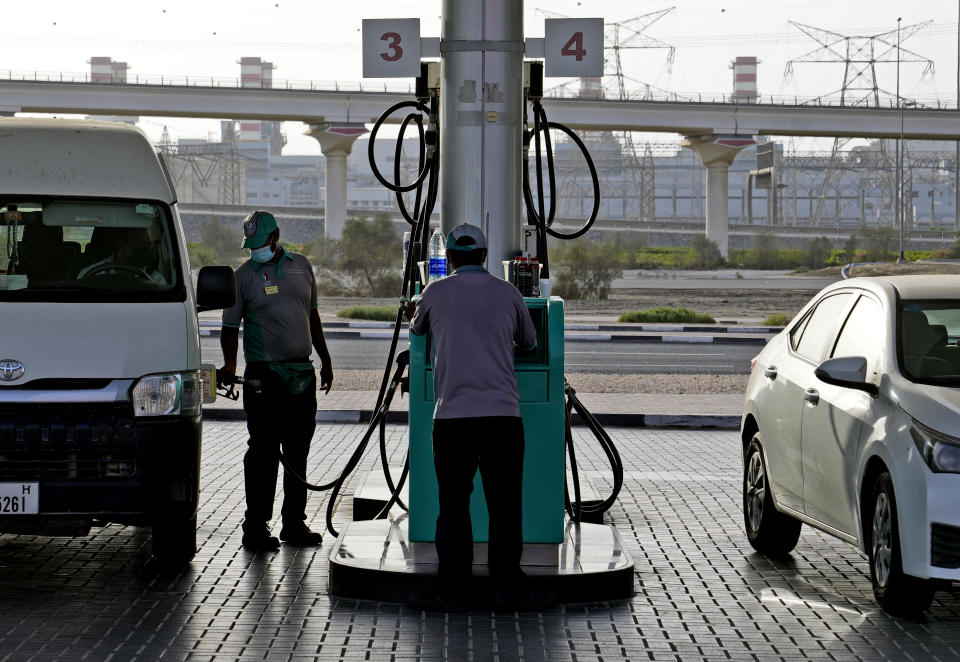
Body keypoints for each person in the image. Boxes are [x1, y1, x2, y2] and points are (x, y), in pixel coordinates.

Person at [404, 224, 537, 604]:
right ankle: (507, 583)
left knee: (453, 503)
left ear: (450, 258)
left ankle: (454, 586)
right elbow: (529, 342)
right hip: (503, 418)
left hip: (452, 419)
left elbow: (417, 329)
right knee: (505, 505)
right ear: (483, 254)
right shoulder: (509, 292)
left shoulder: (434, 291)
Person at [219, 210, 334, 552]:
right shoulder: (242, 278)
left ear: (276, 236)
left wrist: (325, 359)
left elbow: (312, 314)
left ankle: (293, 525)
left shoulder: (302, 266)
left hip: (302, 374)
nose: (256, 250)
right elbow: (229, 328)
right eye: (251, 245)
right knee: (263, 453)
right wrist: (229, 364)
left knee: (297, 451)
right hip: (263, 378)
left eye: (260, 243)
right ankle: (255, 527)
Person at [76, 227, 165, 283]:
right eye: (139, 242)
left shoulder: (155, 279)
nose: (145, 247)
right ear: (120, 245)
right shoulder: (90, 274)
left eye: (148, 243)